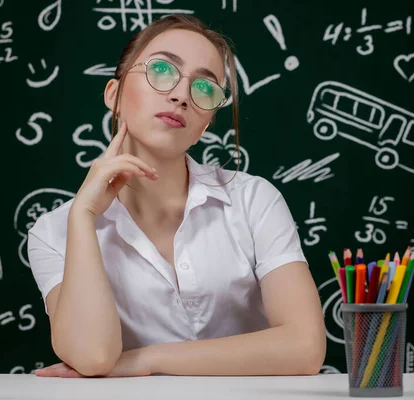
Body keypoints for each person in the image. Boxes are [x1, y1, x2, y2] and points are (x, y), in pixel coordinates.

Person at [28, 15, 326, 378]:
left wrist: (145, 360)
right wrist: (83, 215)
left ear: (205, 124)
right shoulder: (53, 231)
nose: (181, 95)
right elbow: (93, 357)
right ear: (114, 96)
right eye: (161, 69)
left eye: (204, 88)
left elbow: (305, 347)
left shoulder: (253, 201)